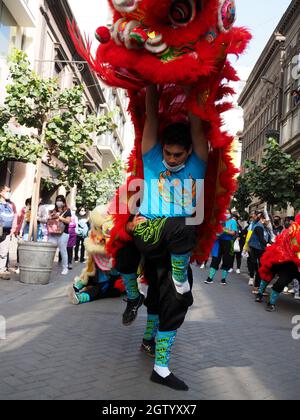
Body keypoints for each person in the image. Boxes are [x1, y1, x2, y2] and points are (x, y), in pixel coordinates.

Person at [125, 84, 208, 391]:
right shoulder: (152, 159)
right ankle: (177, 278)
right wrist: (152, 82)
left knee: (176, 304)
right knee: (184, 223)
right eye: (168, 153)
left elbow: (197, 126)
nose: (171, 159)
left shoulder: (198, 164)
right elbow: (152, 120)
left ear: (188, 152)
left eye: (177, 154)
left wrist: (191, 83)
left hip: (174, 248)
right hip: (148, 234)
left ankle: (160, 368)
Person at [255, 214, 300, 311]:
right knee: (269, 274)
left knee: (282, 281)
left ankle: (270, 301)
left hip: (295, 264)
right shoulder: (295, 228)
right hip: (281, 258)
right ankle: (262, 295)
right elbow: (293, 245)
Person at [205, 210, 238, 285]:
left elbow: (233, 233)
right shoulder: (219, 221)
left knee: (226, 260)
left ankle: (223, 279)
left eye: (227, 213)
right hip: (218, 242)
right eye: (225, 213)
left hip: (228, 242)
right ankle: (210, 278)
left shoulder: (233, 222)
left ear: (230, 214)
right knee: (215, 259)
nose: (226, 214)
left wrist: (225, 230)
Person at [48, 195, 71, 275]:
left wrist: (59, 217)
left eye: (60, 200)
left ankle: (65, 268)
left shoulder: (67, 211)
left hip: (63, 233)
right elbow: (48, 220)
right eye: (57, 200)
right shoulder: (53, 210)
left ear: (64, 202)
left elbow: (68, 221)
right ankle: (48, 266)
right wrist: (50, 217)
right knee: (50, 250)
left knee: (63, 251)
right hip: (53, 232)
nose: (59, 202)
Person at [248, 212, 270, 294]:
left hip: (261, 250)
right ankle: (257, 288)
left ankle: (259, 288)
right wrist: (268, 245)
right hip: (256, 250)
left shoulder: (264, 227)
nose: (268, 222)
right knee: (259, 269)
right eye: (267, 220)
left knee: (262, 269)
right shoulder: (258, 227)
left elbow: (267, 238)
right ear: (262, 219)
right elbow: (261, 239)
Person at [0, 185, 17, 280]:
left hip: (6, 231)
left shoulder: (11, 204)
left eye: (9, 191)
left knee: (4, 252)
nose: (8, 193)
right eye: (7, 191)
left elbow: (15, 216)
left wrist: (13, 229)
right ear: (1, 192)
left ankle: (2, 270)